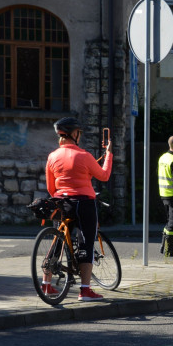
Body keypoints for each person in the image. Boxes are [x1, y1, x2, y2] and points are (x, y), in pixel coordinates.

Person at [44, 117, 113, 302]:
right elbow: (104, 176)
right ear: (74, 134)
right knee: (86, 243)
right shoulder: (84, 156)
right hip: (84, 203)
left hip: (60, 202)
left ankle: (46, 284)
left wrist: (62, 196)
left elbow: (51, 187)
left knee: (57, 241)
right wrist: (108, 155)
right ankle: (85, 290)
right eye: (79, 133)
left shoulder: (52, 156)